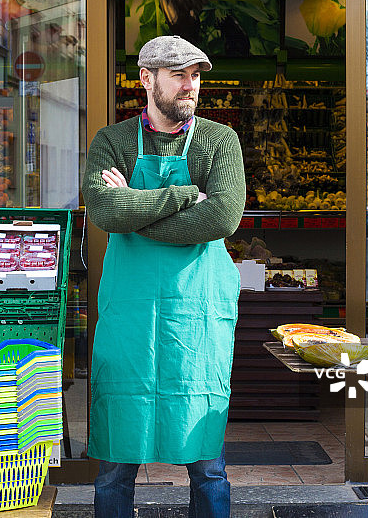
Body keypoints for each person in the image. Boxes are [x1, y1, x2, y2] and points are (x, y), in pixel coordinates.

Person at [82, 35, 246, 518]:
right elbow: (105, 211)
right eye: (178, 75)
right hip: (129, 320)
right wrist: (183, 196)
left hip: (197, 317)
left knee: (207, 464)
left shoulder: (220, 141)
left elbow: (223, 217)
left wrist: (136, 206)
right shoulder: (110, 141)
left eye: (195, 76)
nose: (190, 85)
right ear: (146, 79)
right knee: (115, 465)